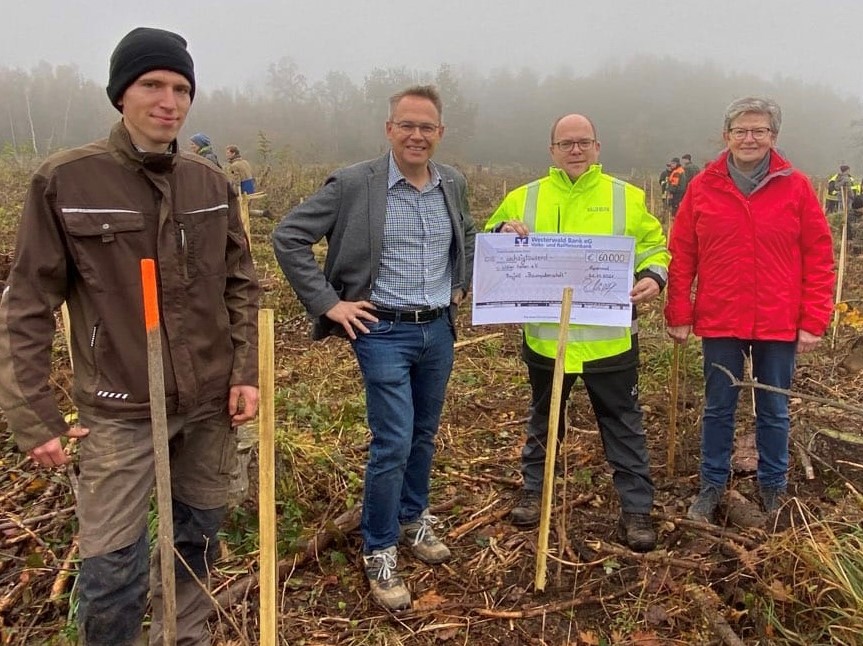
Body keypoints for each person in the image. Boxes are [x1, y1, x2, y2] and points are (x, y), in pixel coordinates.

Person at [0, 27, 260, 644]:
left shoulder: (208, 183)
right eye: (152, 85)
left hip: (208, 404)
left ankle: (183, 635)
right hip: (120, 410)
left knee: (198, 534)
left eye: (180, 87)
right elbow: (27, 305)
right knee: (111, 563)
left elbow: (241, 285)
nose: (168, 100)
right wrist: (33, 416)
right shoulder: (66, 181)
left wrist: (244, 371)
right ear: (121, 94)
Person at [272, 85, 475, 611]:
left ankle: (413, 516)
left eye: (426, 127)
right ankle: (379, 548)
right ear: (389, 129)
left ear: (440, 134)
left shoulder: (451, 182)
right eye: (406, 125)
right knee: (393, 440)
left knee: (423, 434)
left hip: (438, 330)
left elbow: (468, 236)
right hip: (381, 330)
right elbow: (289, 235)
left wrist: (463, 278)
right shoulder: (354, 183)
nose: (416, 135)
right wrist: (329, 303)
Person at [485, 113, 670, 553]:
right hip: (546, 339)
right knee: (544, 419)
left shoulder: (626, 197)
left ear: (597, 147)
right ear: (551, 150)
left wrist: (654, 276)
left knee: (623, 423)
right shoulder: (523, 197)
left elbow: (655, 245)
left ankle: (637, 509)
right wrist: (502, 232)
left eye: (583, 142)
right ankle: (534, 491)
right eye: (566, 143)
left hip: (611, 340)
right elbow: (490, 243)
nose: (575, 150)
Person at [665, 97, 835, 524]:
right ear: (727, 136)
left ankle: (773, 487)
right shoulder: (704, 185)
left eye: (759, 131)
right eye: (741, 130)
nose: (749, 138)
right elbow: (682, 252)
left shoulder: (796, 186)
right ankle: (711, 485)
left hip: (779, 318)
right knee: (718, 405)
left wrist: (814, 319)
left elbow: (819, 255)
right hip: (721, 316)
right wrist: (678, 310)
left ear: (773, 137)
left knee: (773, 409)